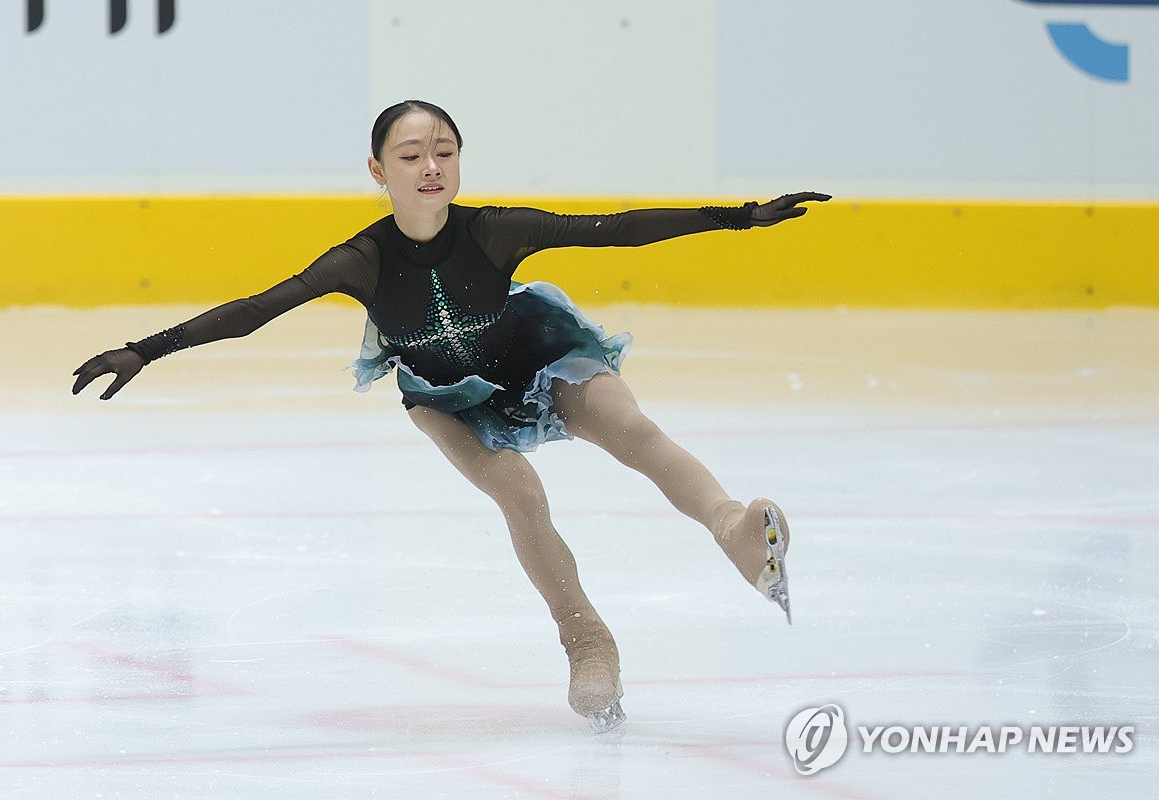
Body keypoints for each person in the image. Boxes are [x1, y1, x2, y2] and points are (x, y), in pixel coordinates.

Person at [72, 99, 830, 733]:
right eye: (410, 155)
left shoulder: (495, 229)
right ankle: (586, 640)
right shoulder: (358, 261)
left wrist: (742, 217)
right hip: (446, 398)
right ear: (378, 171)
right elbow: (254, 312)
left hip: (539, 355)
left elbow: (615, 227)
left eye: (444, 150)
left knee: (631, 429)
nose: (431, 165)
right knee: (521, 495)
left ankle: (736, 531)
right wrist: (145, 348)